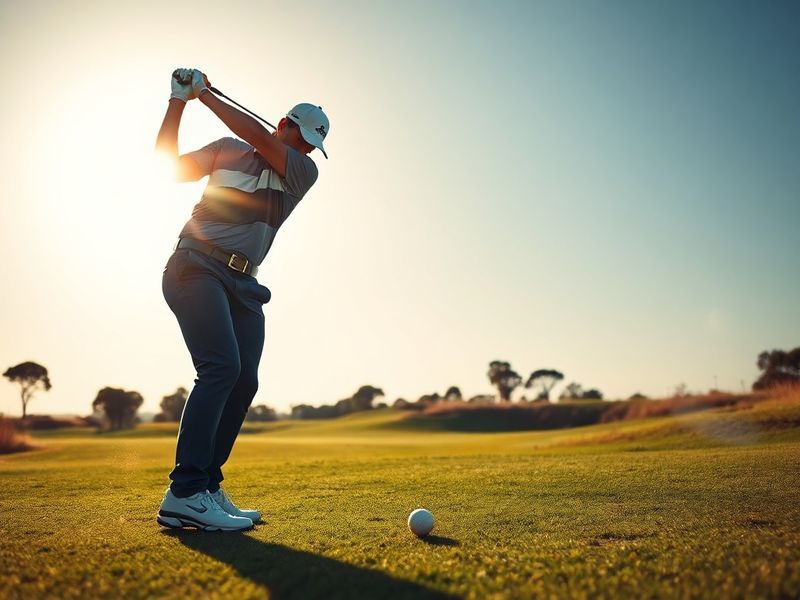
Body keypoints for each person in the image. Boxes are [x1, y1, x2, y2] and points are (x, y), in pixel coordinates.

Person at [153, 68, 329, 531]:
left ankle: (206, 486)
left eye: (312, 144)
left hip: (245, 285)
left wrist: (205, 95)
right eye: (303, 137)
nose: (306, 149)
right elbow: (165, 165)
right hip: (196, 267)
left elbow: (251, 132)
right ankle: (185, 492)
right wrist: (178, 102)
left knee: (243, 380)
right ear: (284, 124)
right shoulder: (225, 151)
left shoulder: (301, 172)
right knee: (220, 368)